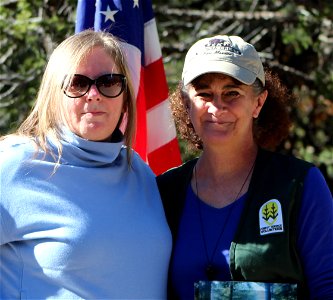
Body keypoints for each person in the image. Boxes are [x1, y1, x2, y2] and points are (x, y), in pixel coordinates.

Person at [157, 35, 333, 299]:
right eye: (204, 93)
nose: (217, 107)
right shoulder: (165, 191)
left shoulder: (300, 185)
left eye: (232, 93)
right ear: (186, 104)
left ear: (258, 103)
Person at [0, 29, 172, 299]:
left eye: (109, 82)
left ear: (126, 98)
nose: (93, 94)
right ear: (53, 95)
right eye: (77, 83)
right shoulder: (16, 164)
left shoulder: (139, 171)